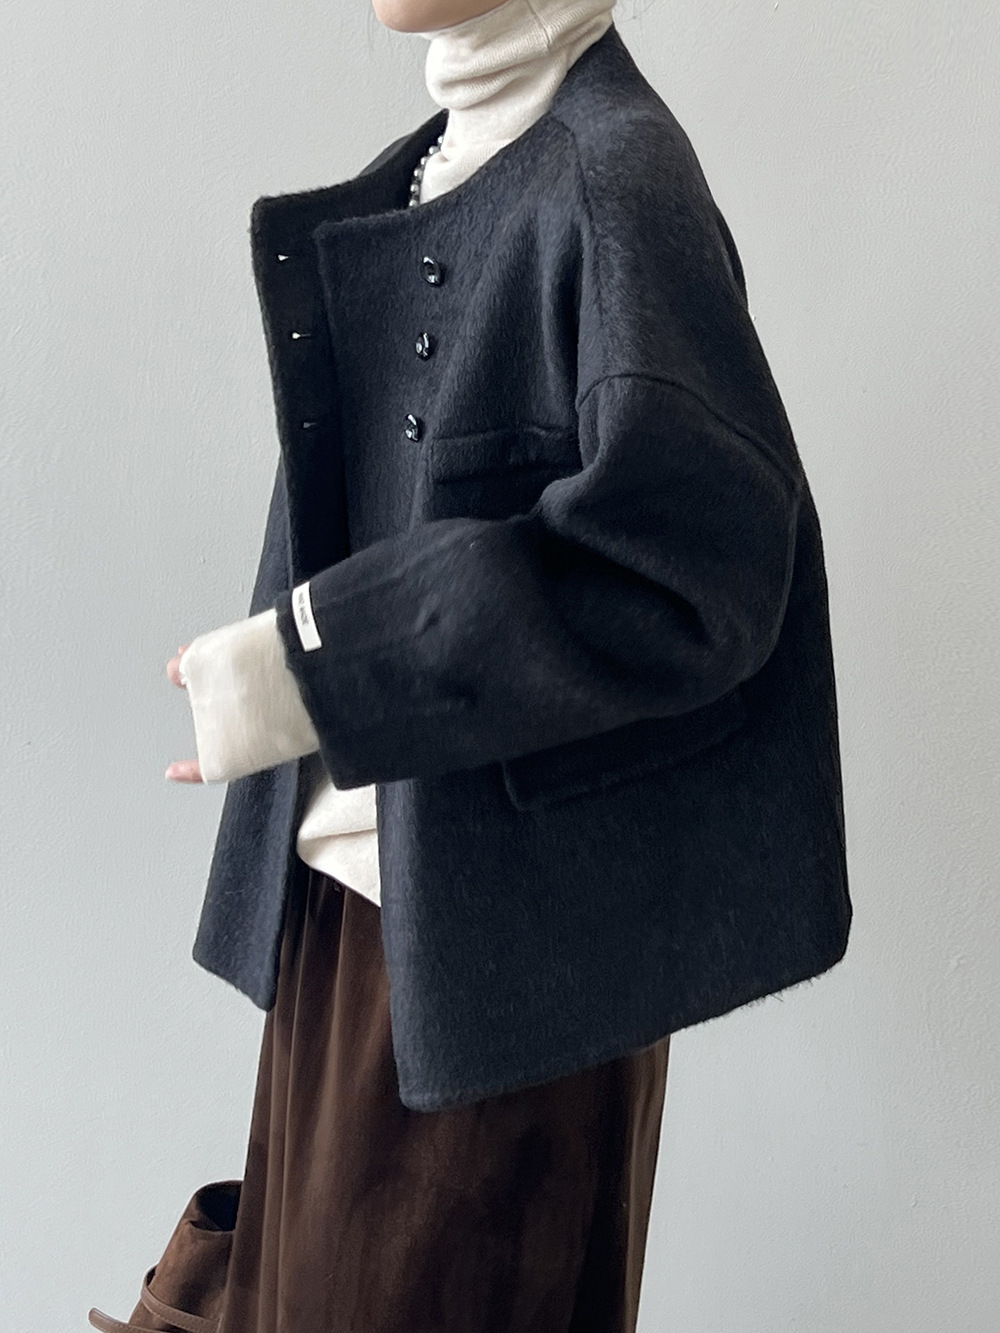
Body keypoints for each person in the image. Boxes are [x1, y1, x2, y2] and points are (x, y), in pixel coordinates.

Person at [91, 1, 851, 1329]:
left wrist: (314, 667)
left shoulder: (618, 180)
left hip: (495, 995)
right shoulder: (454, 157)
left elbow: (697, 562)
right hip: (362, 925)